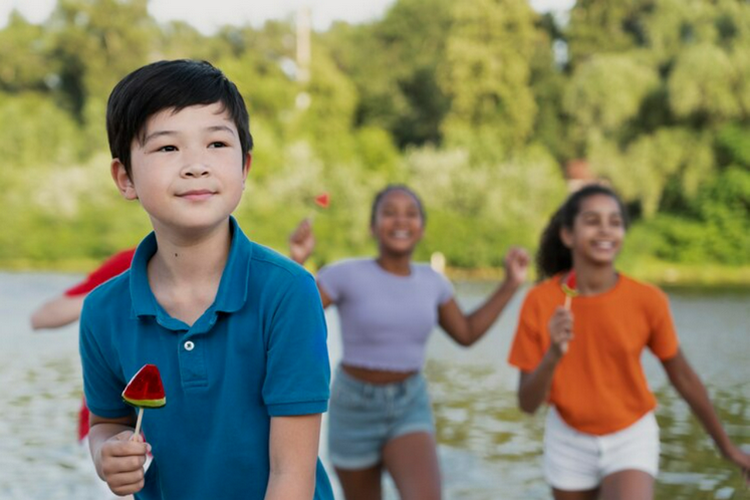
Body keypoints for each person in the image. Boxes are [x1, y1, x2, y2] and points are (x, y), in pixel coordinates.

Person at [79, 59, 333, 499]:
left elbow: (291, 475)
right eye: (167, 148)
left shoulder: (288, 293)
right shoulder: (103, 311)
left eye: (216, 143)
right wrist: (106, 454)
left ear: (245, 167)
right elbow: (107, 423)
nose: (196, 165)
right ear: (125, 178)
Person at [507, 184, 750, 500]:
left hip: (630, 436)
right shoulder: (540, 302)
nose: (605, 229)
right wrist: (553, 354)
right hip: (568, 439)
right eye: (593, 220)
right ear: (568, 235)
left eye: (615, 222)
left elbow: (684, 378)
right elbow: (527, 404)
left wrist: (728, 448)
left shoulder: (647, 300)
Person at [289, 184, 530, 500]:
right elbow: (295, 315)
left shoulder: (433, 282)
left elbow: (467, 333)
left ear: (422, 228)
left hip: (409, 404)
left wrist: (511, 284)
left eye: (411, 214)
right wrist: (297, 261)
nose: (400, 221)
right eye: (388, 213)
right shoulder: (344, 275)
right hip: (353, 404)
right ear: (372, 227)